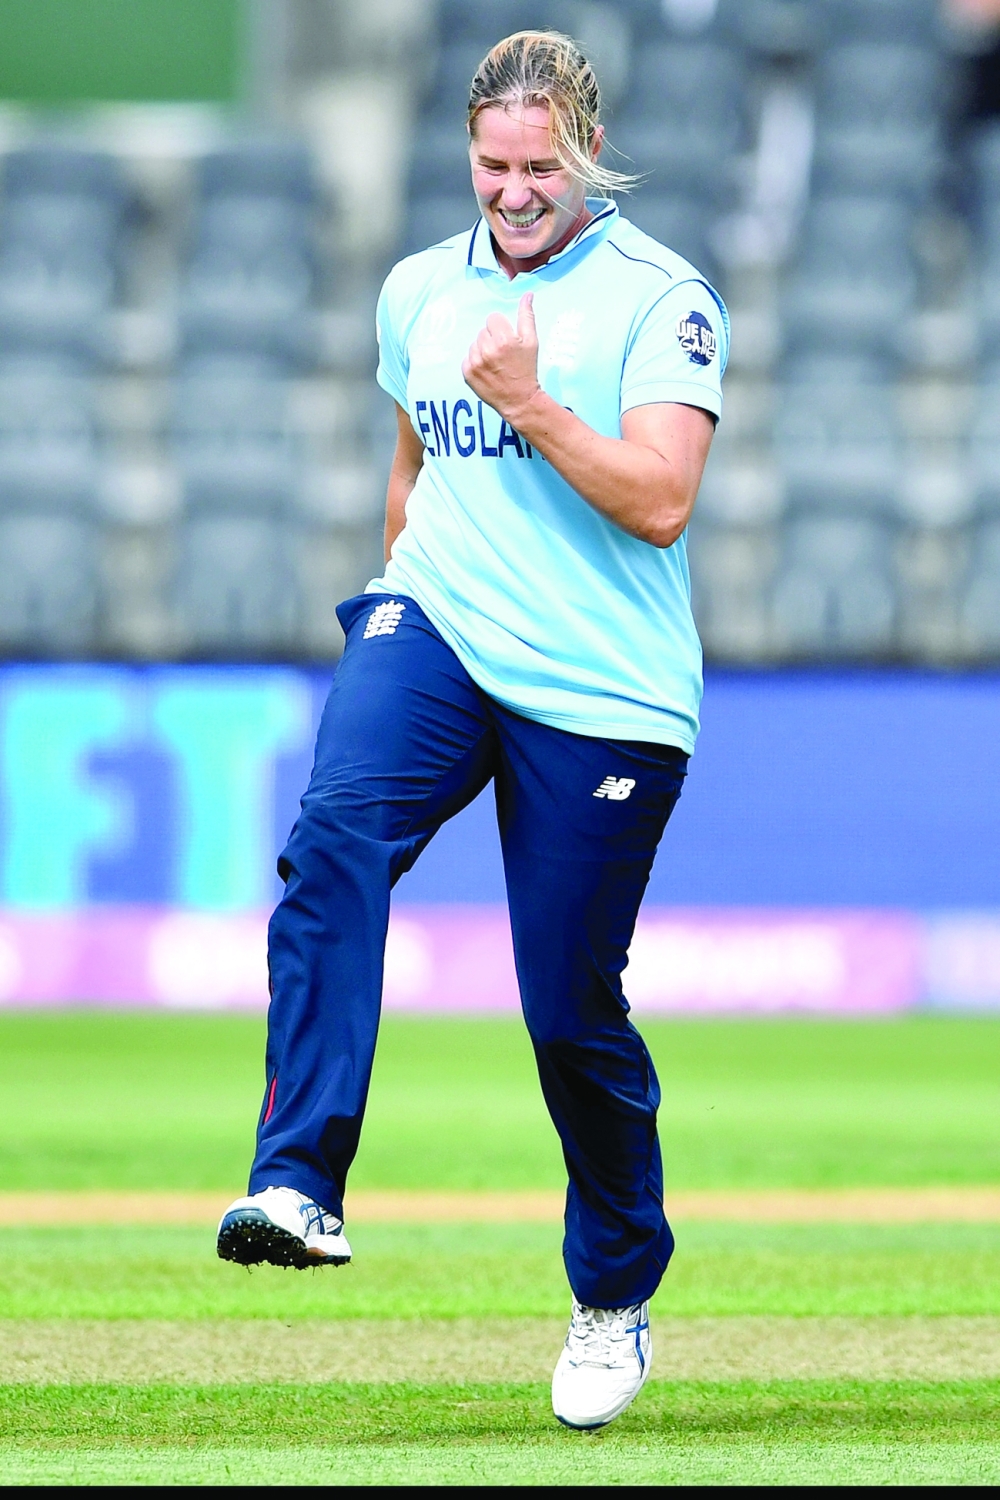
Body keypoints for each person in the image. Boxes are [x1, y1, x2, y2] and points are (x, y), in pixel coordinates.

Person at [217, 29, 729, 1431]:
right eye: (492, 165)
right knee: (333, 835)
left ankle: (612, 1293)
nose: (514, 192)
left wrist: (530, 404)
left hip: (602, 684)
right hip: (438, 623)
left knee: (569, 1011)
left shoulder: (663, 298)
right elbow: (413, 470)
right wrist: (401, 595)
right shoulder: (418, 289)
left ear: (588, 151)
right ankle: (298, 1181)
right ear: (467, 152)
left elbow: (661, 500)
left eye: (540, 166)